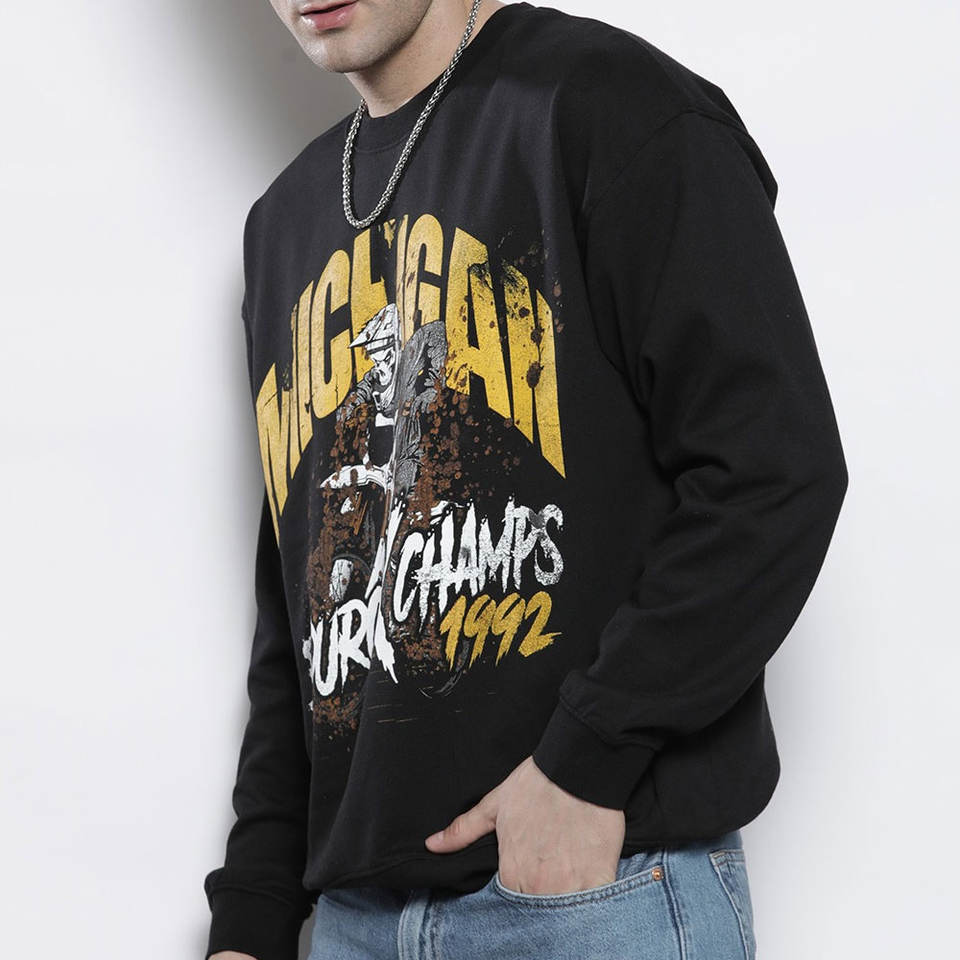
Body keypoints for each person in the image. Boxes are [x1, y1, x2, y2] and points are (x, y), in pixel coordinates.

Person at [202, 1, 849, 958]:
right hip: (353, 923)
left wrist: (588, 759)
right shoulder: (283, 225)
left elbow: (774, 470)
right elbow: (300, 619)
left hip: (587, 901)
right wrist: (253, 916)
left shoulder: (608, 107)